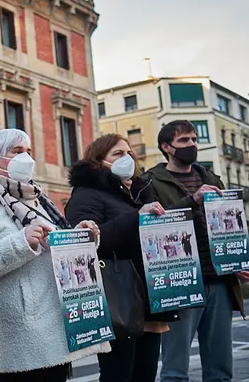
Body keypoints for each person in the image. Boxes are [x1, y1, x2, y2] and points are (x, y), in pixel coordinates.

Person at [0, 129, 108, 382]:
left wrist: (81, 237)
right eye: (17, 152)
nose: (27, 158)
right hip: (19, 330)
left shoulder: (40, 201)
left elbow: (55, 247)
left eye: (28, 151)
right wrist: (23, 241)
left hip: (54, 322)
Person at [139, 120, 249, 382]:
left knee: (221, 369)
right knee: (175, 370)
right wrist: (191, 201)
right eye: (184, 141)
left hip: (219, 281)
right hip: (180, 283)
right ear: (166, 147)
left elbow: (227, 225)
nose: (192, 145)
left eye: (194, 139)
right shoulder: (150, 182)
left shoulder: (211, 178)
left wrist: (238, 260)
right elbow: (152, 229)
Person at [65, 134, 178, 382]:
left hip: (147, 298)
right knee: (118, 375)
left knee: (145, 374)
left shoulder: (139, 191)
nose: (126, 159)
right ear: (98, 160)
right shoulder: (86, 193)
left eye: (129, 153)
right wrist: (138, 216)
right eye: (117, 154)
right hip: (118, 299)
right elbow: (87, 243)